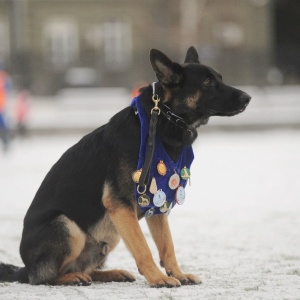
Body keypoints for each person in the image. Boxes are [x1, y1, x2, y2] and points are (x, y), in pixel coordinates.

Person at [0, 70, 10, 151]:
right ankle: (6, 142)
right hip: (2, 107)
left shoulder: (3, 79)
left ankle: (6, 143)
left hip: (1, 108)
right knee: (3, 126)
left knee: (3, 126)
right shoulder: (4, 79)